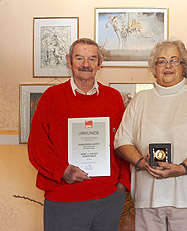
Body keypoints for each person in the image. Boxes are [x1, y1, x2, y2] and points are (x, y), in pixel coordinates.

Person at [114, 39, 187, 231]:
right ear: (154, 68)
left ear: (184, 67)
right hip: (148, 198)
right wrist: (141, 162)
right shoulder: (140, 100)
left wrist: (182, 168)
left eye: (174, 60)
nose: (168, 66)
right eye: (161, 61)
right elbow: (122, 141)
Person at [28, 38, 130, 231]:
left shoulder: (113, 97)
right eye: (79, 58)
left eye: (92, 59)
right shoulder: (51, 96)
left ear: (100, 63)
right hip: (63, 200)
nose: (85, 64)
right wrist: (62, 171)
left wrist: (123, 183)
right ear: (69, 60)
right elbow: (37, 146)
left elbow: (123, 141)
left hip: (107, 199)